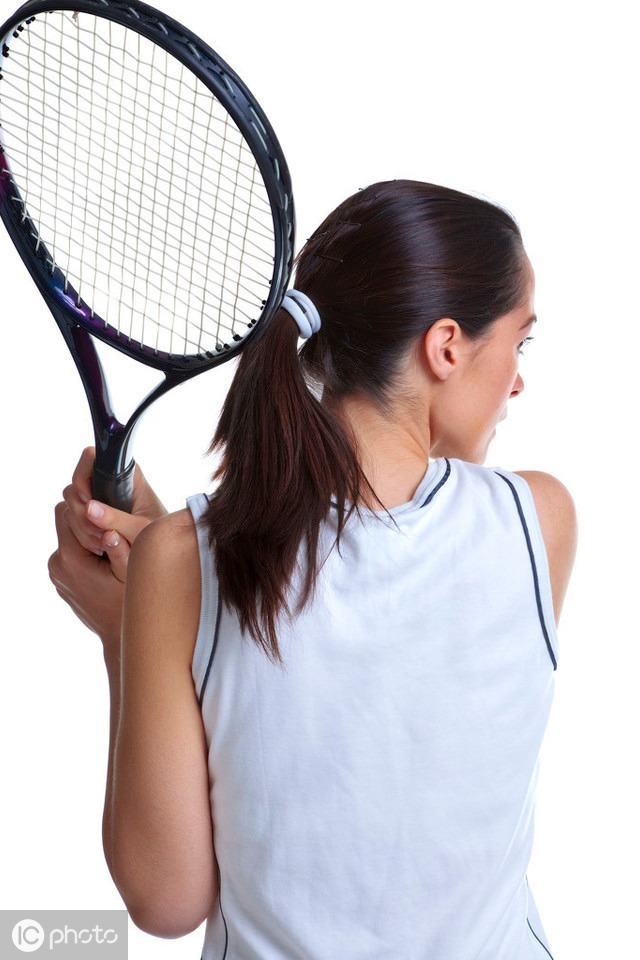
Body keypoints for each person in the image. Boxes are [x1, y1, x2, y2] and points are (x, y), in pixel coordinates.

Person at [48, 179, 577, 959]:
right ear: (446, 346)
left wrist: (128, 625)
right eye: (518, 342)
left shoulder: (183, 564)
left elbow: (167, 899)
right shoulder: (539, 523)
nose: (519, 378)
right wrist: (167, 579)